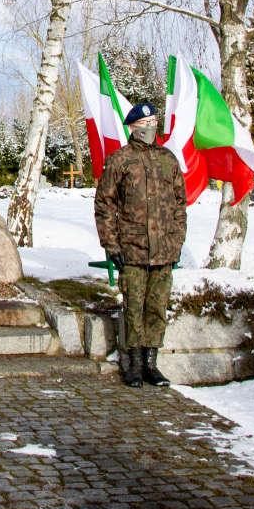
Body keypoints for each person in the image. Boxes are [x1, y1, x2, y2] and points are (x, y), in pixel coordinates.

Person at [93, 101, 188, 387]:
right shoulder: (120, 160)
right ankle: (134, 365)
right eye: (144, 124)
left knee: (157, 307)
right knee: (134, 307)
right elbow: (104, 205)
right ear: (133, 128)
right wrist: (112, 246)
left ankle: (151, 365)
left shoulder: (168, 159)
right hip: (132, 249)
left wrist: (177, 240)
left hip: (164, 250)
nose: (150, 127)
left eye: (153, 122)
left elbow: (180, 205)